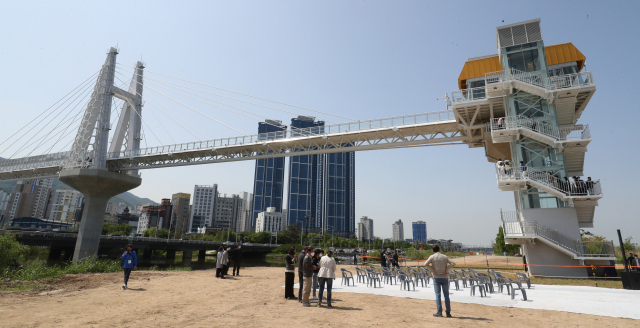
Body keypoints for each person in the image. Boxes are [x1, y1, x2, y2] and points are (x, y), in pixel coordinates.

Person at [425, 245, 455, 318]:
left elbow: (425, 264)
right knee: (446, 295)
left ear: (433, 250)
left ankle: (439, 312)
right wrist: (447, 269)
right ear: (439, 249)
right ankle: (448, 312)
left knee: (438, 295)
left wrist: (433, 270)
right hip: (444, 276)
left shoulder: (432, 257)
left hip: (436, 276)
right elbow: (453, 263)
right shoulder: (444, 257)